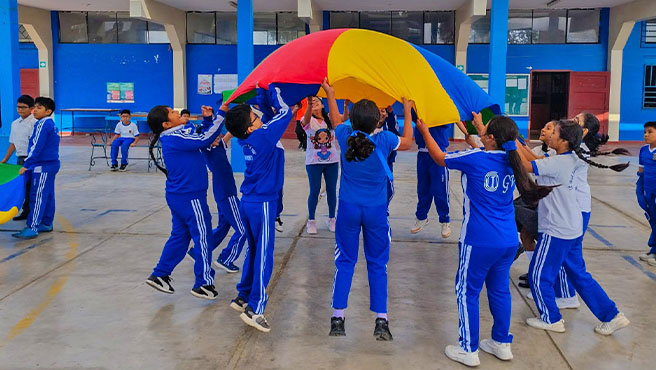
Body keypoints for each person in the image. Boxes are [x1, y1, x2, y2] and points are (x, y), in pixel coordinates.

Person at [417, 114, 552, 366]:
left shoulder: (476, 158)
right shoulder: (512, 160)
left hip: (478, 240)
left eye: (485, 129)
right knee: (500, 290)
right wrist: (478, 125)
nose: (482, 130)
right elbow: (488, 143)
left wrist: (425, 130)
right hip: (508, 239)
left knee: (466, 291)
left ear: (490, 138)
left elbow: (439, 158)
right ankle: (501, 343)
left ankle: (468, 348)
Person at [518, 119, 630, 336]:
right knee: (579, 274)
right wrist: (517, 141)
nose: (549, 135)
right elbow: (536, 159)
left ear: (564, 140)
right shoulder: (565, 158)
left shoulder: (558, 163)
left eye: (553, 132)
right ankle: (612, 315)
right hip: (571, 226)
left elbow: (525, 165)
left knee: (539, 276)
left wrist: (510, 144)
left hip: (556, 229)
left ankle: (551, 319)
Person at [322, 79, 414, 341]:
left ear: (352, 119)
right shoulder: (385, 139)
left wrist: (331, 94)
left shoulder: (343, 136)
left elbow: (336, 119)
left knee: (345, 262)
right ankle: (381, 322)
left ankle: (338, 318)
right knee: (377, 264)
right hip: (375, 212)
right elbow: (407, 141)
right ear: (378, 121)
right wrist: (406, 109)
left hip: (348, 210)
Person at [224, 85, 299, 333]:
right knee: (264, 256)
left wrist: (261, 92)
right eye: (255, 117)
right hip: (262, 204)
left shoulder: (252, 137)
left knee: (254, 251)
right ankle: (256, 309)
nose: (259, 116)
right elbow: (284, 111)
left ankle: (243, 295)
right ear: (250, 126)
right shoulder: (264, 136)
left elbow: (268, 116)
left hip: (250, 201)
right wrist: (277, 88)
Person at [144, 104, 224, 300]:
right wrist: (221, 115)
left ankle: (160, 274)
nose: (177, 113)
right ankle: (204, 283)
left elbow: (201, 138)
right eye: (172, 113)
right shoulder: (174, 137)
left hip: (179, 196)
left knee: (180, 236)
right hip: (190, 197)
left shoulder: (176, 135)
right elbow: (205, 139)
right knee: (203, 237)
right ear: (166, 124)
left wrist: (207, 120)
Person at [12, 97, 60, 240]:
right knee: (48, 194)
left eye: (39, 108)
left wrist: (27, 164)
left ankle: (32, 227)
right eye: (35, 107)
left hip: (42, 166)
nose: (35, 110)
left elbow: (35, 147)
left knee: (37, 196)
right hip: (51, 164)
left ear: (48, 111)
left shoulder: (42, 124)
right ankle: (46, 223)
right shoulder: (52, 124)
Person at [302, 96, 339, 234]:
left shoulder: (329, 118)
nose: (315, 103)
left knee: (331, 190)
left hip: (332, 162)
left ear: (323, 105)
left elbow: (342, 119)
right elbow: (305, 120)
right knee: (314, 190)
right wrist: (309, 105)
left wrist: (346, 106)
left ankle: (332, 219)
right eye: (312, 102)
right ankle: (311, 221)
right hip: (314, 162)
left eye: (317, 101)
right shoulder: (308, 120)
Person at [412, 121, 453, 238]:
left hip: (439, 153)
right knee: (422, 189)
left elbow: (446, 122)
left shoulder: (441, 109)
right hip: (423, 153)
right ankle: (421, 217)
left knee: (440, 190)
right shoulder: (418, 108)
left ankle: (445, 220)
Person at [1, 95, 37, 221]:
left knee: (33, 187)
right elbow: (13, 143)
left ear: (31, 108)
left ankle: (34, 213)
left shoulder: (35, 123)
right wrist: (5, 159)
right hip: (20, 159)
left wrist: (31, 161)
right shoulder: (15, 124)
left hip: (32, 159)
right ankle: (25, 211)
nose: (20, 110)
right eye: (18, 107)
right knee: (22, 186)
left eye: (23, 107)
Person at [637, 121, 656, 266]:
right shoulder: (644, 150)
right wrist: (640, 192)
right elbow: (641, 172)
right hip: (648, 192)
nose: (646, 135)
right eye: (645, 132)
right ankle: (653, 250)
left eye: (650, 132)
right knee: (653, 220)